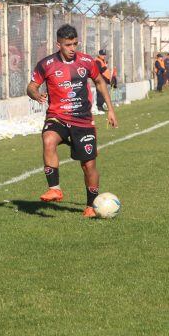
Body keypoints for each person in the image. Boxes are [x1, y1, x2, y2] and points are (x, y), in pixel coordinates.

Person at [26, 25, 118, 217]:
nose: (72, 48)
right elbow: (31, 86)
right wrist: (36, 95)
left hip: (82, 121)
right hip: (57, 116)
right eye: (68, 44)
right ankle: (55, 188)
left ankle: (91, 206)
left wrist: (110, 109)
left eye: (75, 44)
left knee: (88, 166)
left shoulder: (86, 61)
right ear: (58, 44)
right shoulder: (46, 64)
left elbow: (100, 82)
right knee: (48, 139)